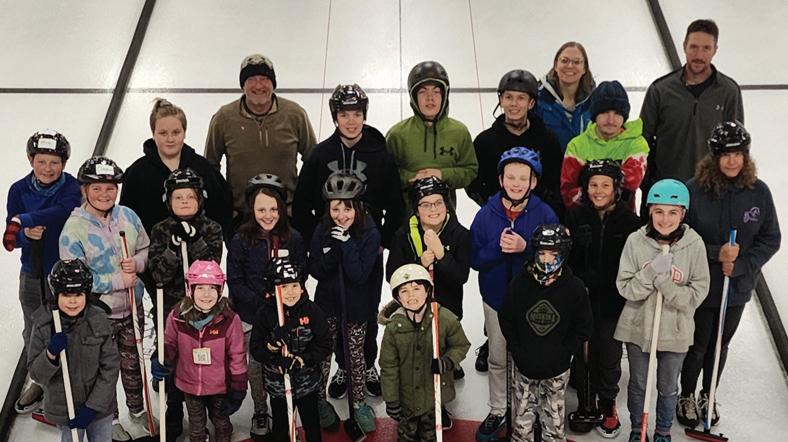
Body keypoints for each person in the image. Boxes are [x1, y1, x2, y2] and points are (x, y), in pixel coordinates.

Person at [292, 84, 403, 399]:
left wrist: (382, 240)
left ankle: (366, 364)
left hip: (366, 246)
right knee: (333, 311)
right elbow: (301, 205)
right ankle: (343, 366)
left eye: (356, 114)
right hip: (330, 244)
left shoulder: (380, 154)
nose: (351, 121)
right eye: (344, 114)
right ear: (335, 117)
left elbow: (396, 203)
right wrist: (316, 241)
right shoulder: (320, 155)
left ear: (364, 115)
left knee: (364, 309)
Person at [676, 122, 781, 429]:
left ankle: (709, 393)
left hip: (736, 287)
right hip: (702, 285)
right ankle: (687, 394)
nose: (733, 161)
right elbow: (681, 236)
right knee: (697, 345)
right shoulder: (695, 191)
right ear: (715, 156)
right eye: (726, 155)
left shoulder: (758, 192)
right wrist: (715, 253)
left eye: (738, 154)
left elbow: (770, 239)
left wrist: (743, 265)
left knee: (719, 344)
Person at [59, 156, 154, 440]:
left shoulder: (128, 216)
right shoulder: (73, 230)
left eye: (110, 188)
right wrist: (116, 281)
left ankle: (138, 410)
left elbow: (145, 248)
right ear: (84, 190)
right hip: (98, 315)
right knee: (104, 369)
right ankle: (109, 418)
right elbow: (74, 281)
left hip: (132, 307)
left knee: (133, 363)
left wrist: (137, 263)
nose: (104, 194)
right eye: (97, 188)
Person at [470, 147, 558, 439]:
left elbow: (555, 258)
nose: (516, 183)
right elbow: (475, 259)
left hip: (533, 301)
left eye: (523, 178)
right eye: (511, 177)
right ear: (500, 179)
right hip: (495, 300)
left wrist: (526, 249)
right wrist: (497, 247)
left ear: (534, 181)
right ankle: (498, 409)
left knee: (528, 359)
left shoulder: (545, 213)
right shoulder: (486, 215)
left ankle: (528, 410)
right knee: (497, 358)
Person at [615, 179, 710, 442]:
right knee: (638, 384)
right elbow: (625, 288)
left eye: (672, 212)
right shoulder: (636, 241)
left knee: (668, 387)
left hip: (676, 329)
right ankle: (638, 429)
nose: (665, 219)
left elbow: (697, 294)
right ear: (649, 211)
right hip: (638, 327)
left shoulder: (694, 244)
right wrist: (650, 273)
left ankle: (663, 431)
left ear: (683, 214)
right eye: (659, 211)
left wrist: (665, 284)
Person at [4, 130, 81, 413]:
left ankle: (71, 382)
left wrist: (23, 219)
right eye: (41, 162)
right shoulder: (18, 190)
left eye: (54, 162)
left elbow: (62, 211)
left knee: (68, 328)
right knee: (34, 328)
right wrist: (25, 234)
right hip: (32, 272)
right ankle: (39, 380)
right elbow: (12, 238)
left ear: (64, 163)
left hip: (65, 274)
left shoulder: (72, 187)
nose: (48, 168)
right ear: (30, 161)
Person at [565, 160, 642, 437]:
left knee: (609, 352)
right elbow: (564, 257)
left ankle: (608, 401)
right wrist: (576, 249)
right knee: (582, 350)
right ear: (585, 188)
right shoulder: (575, 215)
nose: (599, 191)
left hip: (613, 300)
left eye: (605, 185)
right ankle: (585, 399)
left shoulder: (629, 221)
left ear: (616, 188)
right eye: (593, 185)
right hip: (583, 297)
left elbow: (636, 261)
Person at [227, 172, 307, 440]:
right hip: (253, 315)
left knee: (284, 359)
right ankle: (261, 410)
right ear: (252, 209)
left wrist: (288, 299)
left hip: (286, 314)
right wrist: (264, 301)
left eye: (273, 209)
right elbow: (235, 281)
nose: (268, 215)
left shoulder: (293, 238)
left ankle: (285, 405)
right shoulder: (241, 240)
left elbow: (302, 273)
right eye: (261, 209)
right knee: (257, 366)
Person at [146, 168, 224, 438]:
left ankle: (209, 407)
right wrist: (172, 248)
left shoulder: (212, 228)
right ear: (168, 200)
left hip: (204, 309)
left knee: (203, 359)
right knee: (171, 358)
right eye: (178, 197)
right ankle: (174, 408)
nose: (184, 202)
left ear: (200, 199)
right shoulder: (160, 230)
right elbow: (157, 275)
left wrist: (196, 241)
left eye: (190, 197)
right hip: (171, 308)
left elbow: (213, 268)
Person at [639, 19, 744, 218]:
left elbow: (735, 146)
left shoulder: (729, 91)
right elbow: (642, 142)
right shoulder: (660, 90)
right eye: (694, 47)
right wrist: (647, 186)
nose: (699, 55)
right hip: (666, 193)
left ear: (715, 50)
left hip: (711, 193)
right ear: (684, 46)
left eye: (706, 48)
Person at [498, 224, 593, 441]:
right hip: (524, 369)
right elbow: (506, 318)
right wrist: (517, 349)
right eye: (541, 253)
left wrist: (565, 352)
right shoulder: (520, 283)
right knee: (521, 428)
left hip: (557, 371)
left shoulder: (574, 288)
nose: (547, 259)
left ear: (563, 254)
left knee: (553, 428)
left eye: (553, 254)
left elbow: (583, 327)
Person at [204, 54, 317, 228]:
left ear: (273, 83)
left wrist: (299, 204)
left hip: (285, 216)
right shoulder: (223, 118)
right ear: (243, 85)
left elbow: (313, 161)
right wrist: (226, 208)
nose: (258, 85)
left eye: (264, 79)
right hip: (241, 218)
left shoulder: (295, 114)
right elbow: (210, 167)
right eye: (251, 79)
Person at [308, 171, 381, 433]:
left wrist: (347, 245)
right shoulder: (322, 229)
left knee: (355, 355)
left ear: (358, 207)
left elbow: (359, 274)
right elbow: (316, 269)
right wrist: (332, 250)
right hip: (327, 305)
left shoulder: (370, 232)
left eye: (347, 208)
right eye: (335, 208)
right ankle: (319, 401)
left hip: (356, 306)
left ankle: (359, 403)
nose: (341, 215)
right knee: (323, 354)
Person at [385, 176, 471, 379]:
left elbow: (460, 277)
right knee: (418, 363)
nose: (433, 209)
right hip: (414, 312)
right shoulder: (403, 236)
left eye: (438, 202)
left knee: (442, 365)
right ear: (416, 210)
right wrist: (419, 265)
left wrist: (442, 256)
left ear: (447, 205)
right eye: (426, 204)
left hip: (448, 310)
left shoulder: (460, 235)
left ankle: (448, 368)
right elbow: (392, 276)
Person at [153, 260, 248, 442]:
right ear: (191, 289)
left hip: (219, 386)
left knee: (221, 422)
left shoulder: (229, 320)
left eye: (212, 288)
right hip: (189, 385)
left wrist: (239, 387)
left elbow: (237, 356)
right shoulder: (178, 317)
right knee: (196, 428)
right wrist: (161, 358)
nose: (206, 294)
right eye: (200, 288)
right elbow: (169, 342)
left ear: (220, 290)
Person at [28, 259, 119, 442]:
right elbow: (36, 374)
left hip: (99, 409)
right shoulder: (43, 324)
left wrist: (93, 406)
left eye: (78, 294)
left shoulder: (99, 320)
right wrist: (50, 355)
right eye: (66, 294)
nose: (72, 301)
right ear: (56, 294)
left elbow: (110, 367)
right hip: (64, 410)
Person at [120, 98, 233, 245]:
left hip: (199, 254)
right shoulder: (137, 173)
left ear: (184, 132)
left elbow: (223, 208)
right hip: (151, 254)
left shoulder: (204, 169)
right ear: (153, 134)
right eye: (163, 133)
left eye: (176, 132)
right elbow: (126, 218)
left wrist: (209, 244)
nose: (170, 139)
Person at [380, 264, 470, 441]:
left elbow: (461, 345)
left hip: (432, 399)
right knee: (406, 436)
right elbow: (388, 366)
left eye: (416, 289)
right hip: (406, 400)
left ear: (428, 291)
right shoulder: (394, 327)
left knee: (429, 436)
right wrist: (391, 399)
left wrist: (448, 361)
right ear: (397, 297)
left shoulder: (443, 318)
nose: (411, 295)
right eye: (404, 291)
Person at [250, 258, 332, 442]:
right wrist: (273, 351)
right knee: (281, 427)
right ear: (273, 289)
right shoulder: (265, 314)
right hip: (278, 386)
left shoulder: (312, 311)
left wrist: (303, 359)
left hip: (307, 385)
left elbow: (325, 344)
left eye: (295, 285)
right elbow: (256, 349)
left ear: (302, 287)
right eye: (284, 287)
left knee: (312, 425)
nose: (290, 292)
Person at [386, 60, 478, 215]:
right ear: (413, 97)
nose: (430, 98)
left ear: (444, 95)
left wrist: (442, 175)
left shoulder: (459, 132)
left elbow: (470, 170)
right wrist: (412, 178)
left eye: (436, 92)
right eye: (423, 92)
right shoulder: (397, 134)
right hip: (404, 217)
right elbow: (386, 173)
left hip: (446, 216)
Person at [467, 69, 563, 216]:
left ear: (531, 103)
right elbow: (474, 184)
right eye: (508, 97)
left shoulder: (548, 140)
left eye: (521, 98)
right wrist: (494, 206)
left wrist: (540, 207)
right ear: (501, 100)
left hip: (538, 216)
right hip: (498, 215)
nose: (514, 104)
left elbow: (555, 182)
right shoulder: (484, 142)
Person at [561, 80, 649, 212]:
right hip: (583, 217)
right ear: (594, 115)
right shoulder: (577, 145)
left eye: (617, 113)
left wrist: (591, 187)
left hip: (622, 217)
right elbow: (568, 192)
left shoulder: (636, 143)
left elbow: (630, 185)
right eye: (604, 112)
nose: (611, 120)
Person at [534, 42, 596, 151]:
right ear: (556, 65)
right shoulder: (538, 99)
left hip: (584, 161)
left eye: (576, 62)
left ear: (584, 68)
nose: (570, 66)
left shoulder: (596, 100)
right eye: (564, 60)